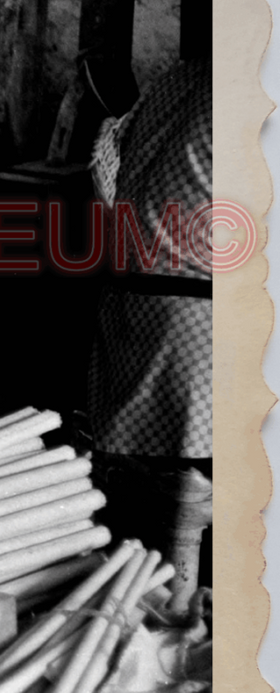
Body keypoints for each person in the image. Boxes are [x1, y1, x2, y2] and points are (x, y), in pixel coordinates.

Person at [87, 59, 212, 612]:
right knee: (190, 475)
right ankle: (180, 606)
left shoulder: (178, 76)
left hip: (128, 296)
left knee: (145, 473)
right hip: (193, 316)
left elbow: (106, 165)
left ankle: (142, 598)